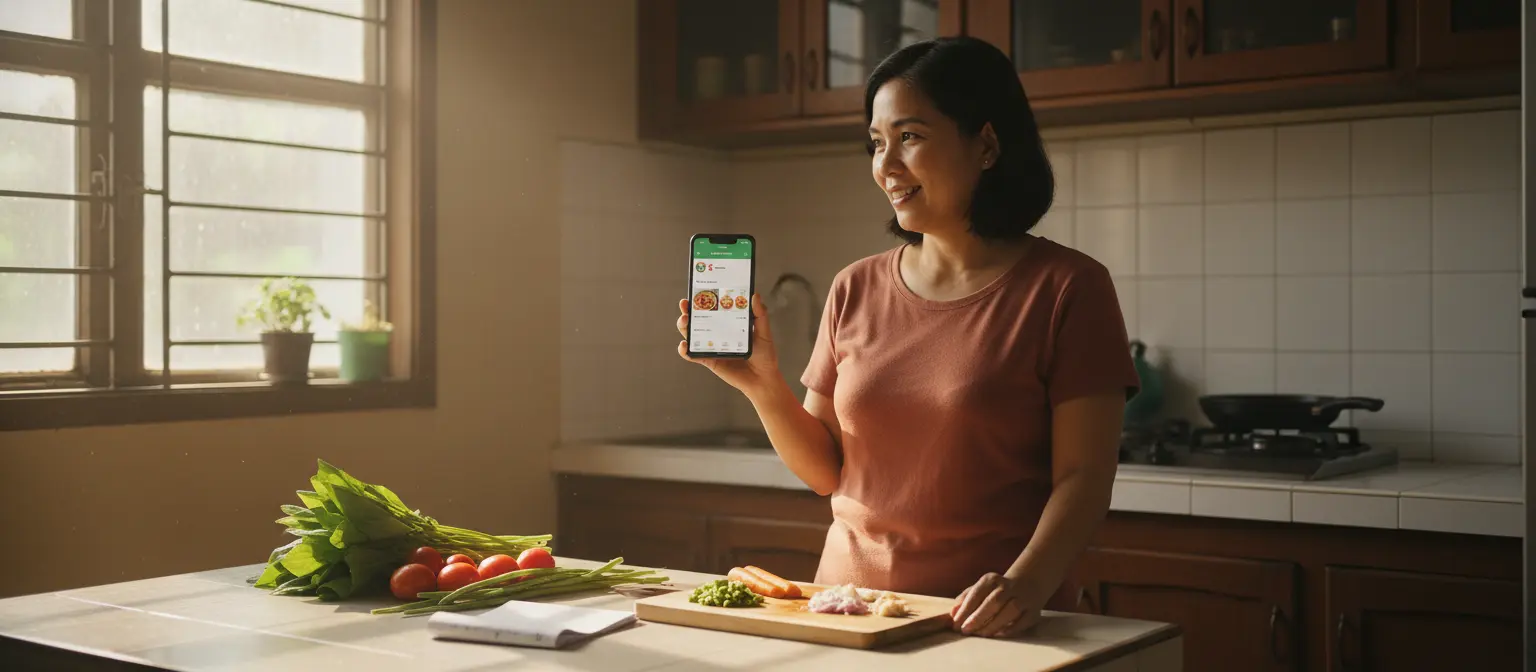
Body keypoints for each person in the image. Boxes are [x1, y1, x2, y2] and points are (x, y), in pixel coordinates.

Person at [674, 36, 1138, 639]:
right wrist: (763, 386)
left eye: (910, 137)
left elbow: (1085, 478)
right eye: (876, 143)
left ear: (988, 145)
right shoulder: (855, 286)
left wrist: (1026, 584)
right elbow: (827, 472)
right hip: (850, 612)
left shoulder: (1068, 288)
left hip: (990, 621)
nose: (885, 165)